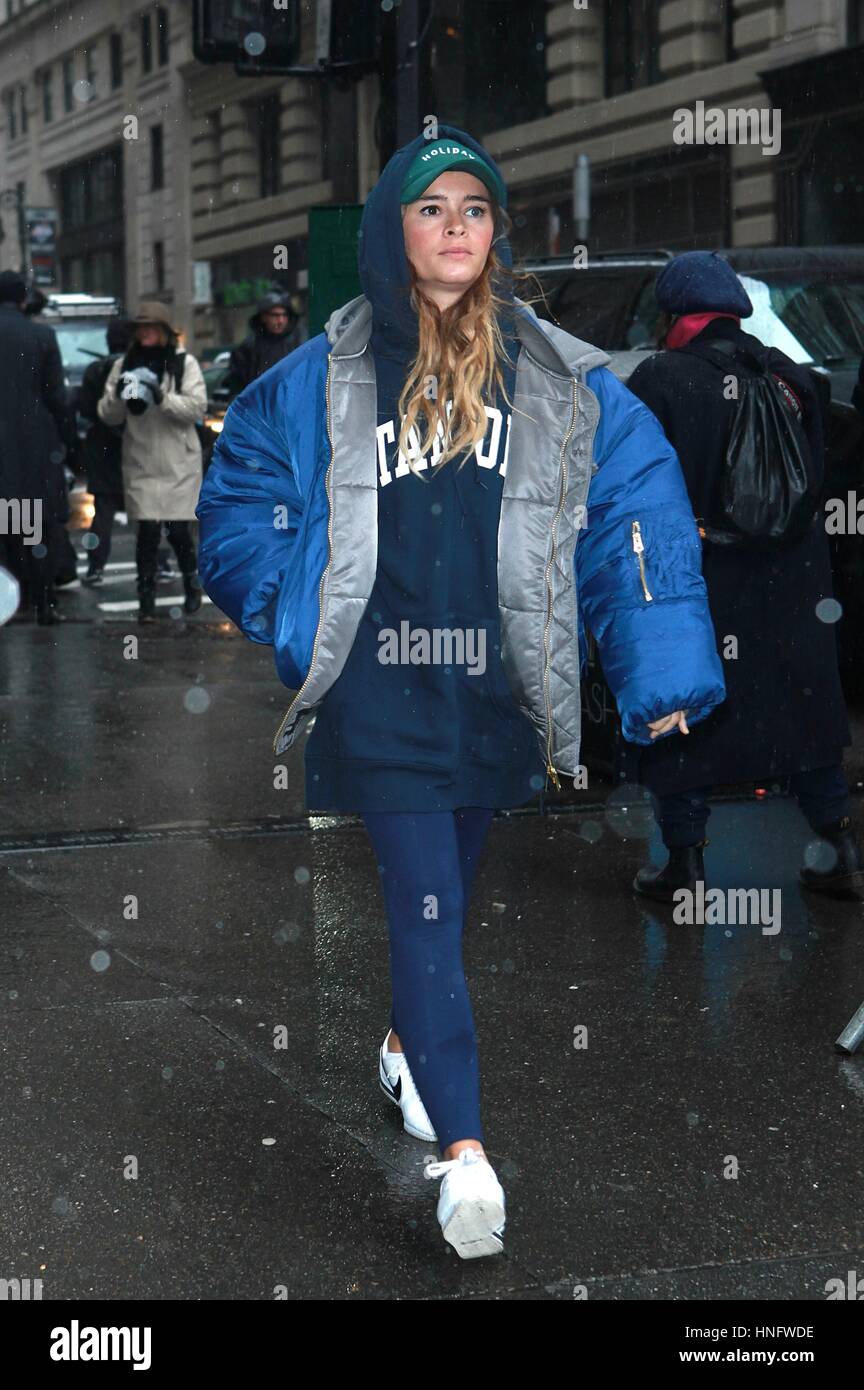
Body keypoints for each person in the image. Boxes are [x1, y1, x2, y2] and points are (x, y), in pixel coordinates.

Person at [195, 127, 725, 1259]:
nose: (453, 230)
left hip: (494, 692)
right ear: (395, 229)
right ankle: (467, 1158)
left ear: (495, 234)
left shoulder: (552, 375)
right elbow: (242, 502)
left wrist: (662, 666)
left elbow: (635, 511)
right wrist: (299, 612)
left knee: (454, 888)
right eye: (431, 209)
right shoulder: (319, 377)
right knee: (427, 906)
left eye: (473, 211)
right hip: (378, 696)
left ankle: (401, 1047)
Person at [626, 251, 863, 901]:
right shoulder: (792, 377)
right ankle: (837, 847)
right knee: (805, 715)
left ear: (676, 316)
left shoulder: (661, 379)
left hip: (701, 582)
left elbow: (634, 485)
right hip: (793, 585)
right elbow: (814, 481)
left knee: (685, 712)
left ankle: (686, 863)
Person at [97, 301, 207, 622]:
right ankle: (146, 598)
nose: (144, 333)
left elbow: (196, 407)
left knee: (178, 532)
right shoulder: (124, 365)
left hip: (178, 463)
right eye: (140, 328)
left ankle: (191, 583)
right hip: (141, 460)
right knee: (146, 532)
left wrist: (162, 397)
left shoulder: (184, 363)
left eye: (151, 328)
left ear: (163, 332)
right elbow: (108, 414)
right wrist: (118, 395)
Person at [0, 268, 78, 624]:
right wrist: (72, 445)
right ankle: (42, 602)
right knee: (32, 523)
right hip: (31, 444)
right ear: (22, 298)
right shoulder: (41, 336)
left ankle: (11, 599)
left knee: (6, 523)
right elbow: (57, 398)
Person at [78, 317, 135, 584]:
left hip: (102, 446)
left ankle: (95, 567)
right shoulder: (136, 368)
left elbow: (85, 408)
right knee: (144, 509)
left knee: (104, 510)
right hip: (135, 444)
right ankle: (159, 563)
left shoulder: (95, 370)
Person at [222, 292, 305, 399]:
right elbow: (237, 388)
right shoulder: (248, 348)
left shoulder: (298, 345)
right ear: (263, 317)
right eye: (275, 315)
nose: (280, 320)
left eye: (284, 315)